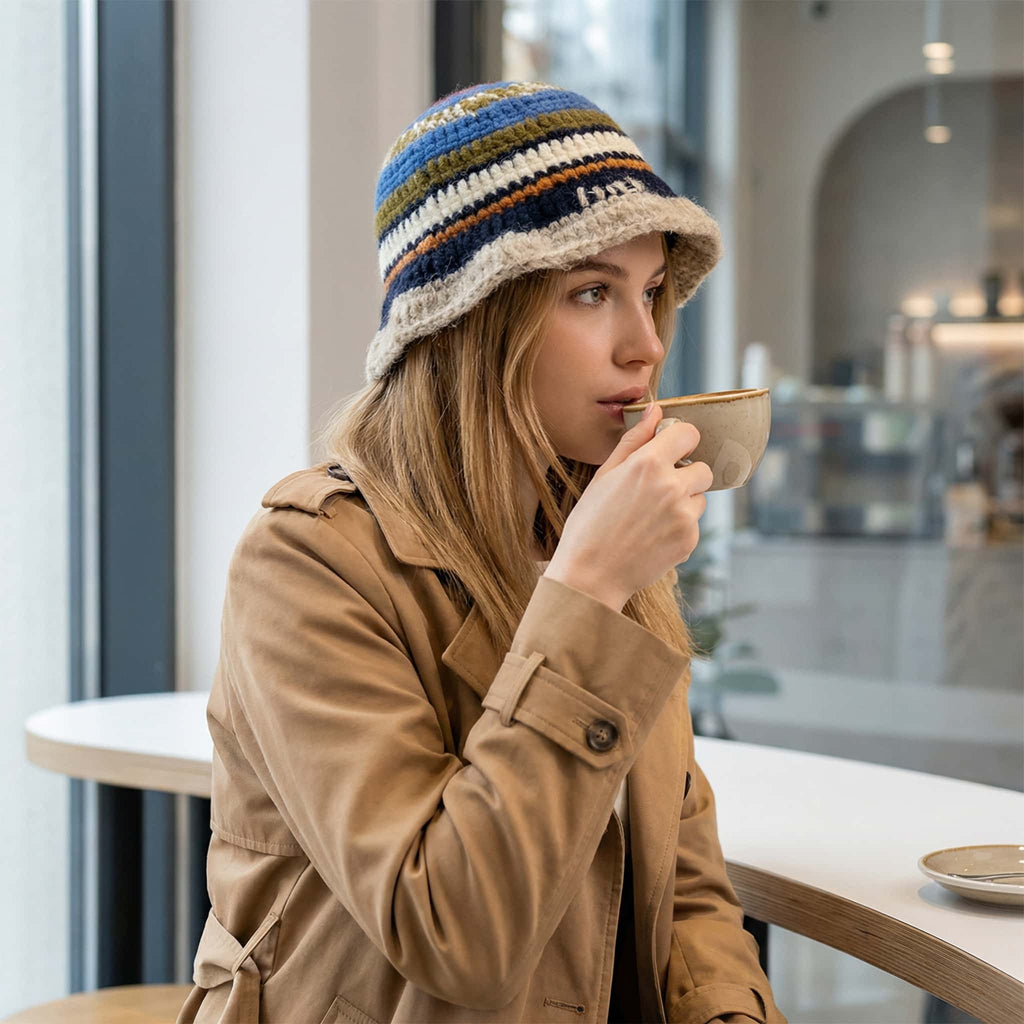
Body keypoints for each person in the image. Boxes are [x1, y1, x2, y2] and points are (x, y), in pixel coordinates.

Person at [176, 81, 787, 1024]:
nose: (646, 345)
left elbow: (685, 882)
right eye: (592, 292)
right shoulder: (304, 565)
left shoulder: (581, 529)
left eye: (653, 292)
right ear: (472, 323)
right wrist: (589, 590)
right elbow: (453, 930)